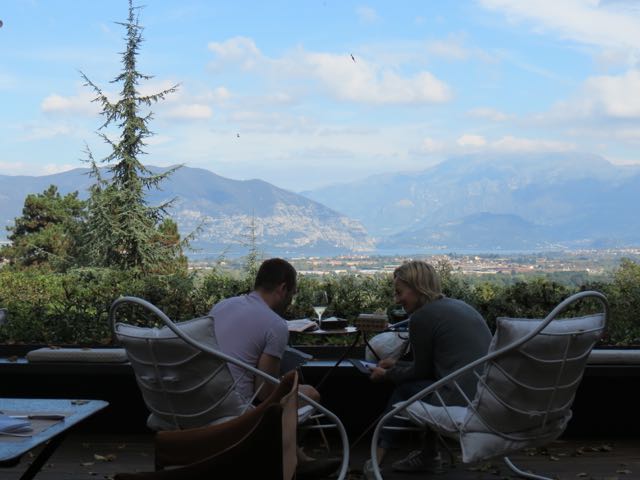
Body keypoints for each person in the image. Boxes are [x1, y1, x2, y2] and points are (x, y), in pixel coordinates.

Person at [210, 258, 337, 479]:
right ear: (283, 288)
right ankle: (290, 465)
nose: (291, 301)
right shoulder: (275, 324)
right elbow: (266, 393)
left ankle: (300, 460)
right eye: (292, 294)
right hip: (239, 410)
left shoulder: (222, 306)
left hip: (205, 399)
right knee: (310, 393)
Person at [365, 261, 492, 475]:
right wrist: (397, 363)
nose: (396, 300)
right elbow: (436, 365)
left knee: (406, 390)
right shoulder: (458, 306)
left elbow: (420, 373)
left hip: (462, 399)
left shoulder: (422, 317)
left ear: (417, 288)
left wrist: (386, 374)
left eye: (399, 292)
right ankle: (429, 455)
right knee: (425, 387)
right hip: (487, 395)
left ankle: (375, 460)